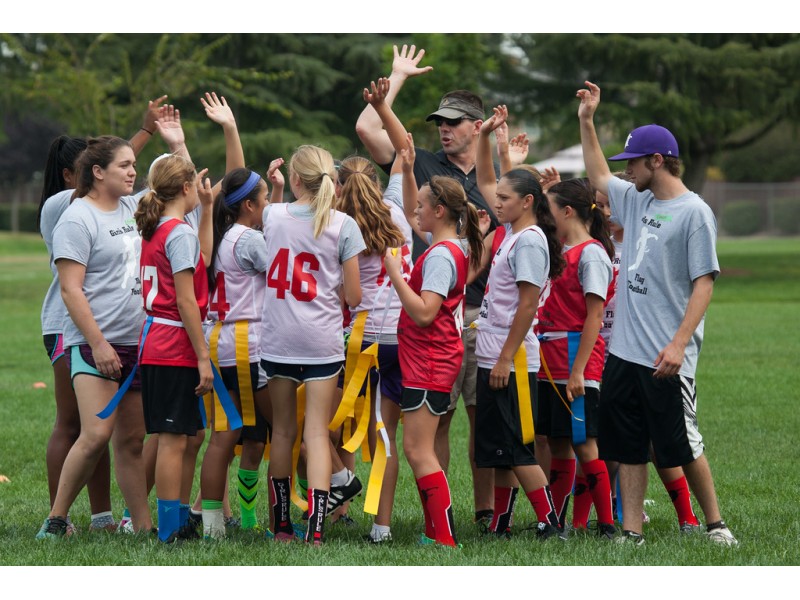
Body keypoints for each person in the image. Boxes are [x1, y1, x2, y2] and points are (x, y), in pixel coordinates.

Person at [577, 80, 737, 545]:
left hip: (667, 355)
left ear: (658, 161)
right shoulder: (637, 199)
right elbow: (597, 174)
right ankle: (631, 532)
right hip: (624, 353)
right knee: (628, 447)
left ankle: (715, 525)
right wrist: (586, 120)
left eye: (633, 163)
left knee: (682, 443)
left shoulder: (694, 213)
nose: (625, 173)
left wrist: (679, 343)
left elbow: (704, 282)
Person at [358, 67, 499, 526]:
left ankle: (479, 515)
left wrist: (397, 271)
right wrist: (387, 96)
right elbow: (384, 138)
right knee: (435, 426)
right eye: (440, 120)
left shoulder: (492, 180)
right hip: (444, 317)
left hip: (470, 315)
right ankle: (438, 519)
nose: (444, 128)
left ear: (477, 127)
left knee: (483, 424)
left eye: (454, 122)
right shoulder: (428, 170)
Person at [36, 96, 167, 534]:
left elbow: (174, 188)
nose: (133, 171)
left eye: (135, 165)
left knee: (130, 439)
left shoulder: (132, 207)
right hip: (92, 342)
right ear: (93, 172)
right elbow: (72, 288)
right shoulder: (70, 213)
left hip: (136, 341)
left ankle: (138, 526)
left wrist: (172, 140)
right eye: (124, 165)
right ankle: (57, 520)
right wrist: (98, 342)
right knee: (89, 433)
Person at [260, 145, 364, 545]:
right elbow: (354, 296)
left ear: (296, 180)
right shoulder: (343, 225)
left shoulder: (272, 213)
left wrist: (276, 190)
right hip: (321, 341)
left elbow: (280, 221)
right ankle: (316, 529)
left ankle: (282, 526)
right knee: (317, 435)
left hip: (279, 340)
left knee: (284, 433)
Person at [591, 177, 702, 534]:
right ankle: (619, 518)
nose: (606, 212)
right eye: (599, 206)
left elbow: (696, 283)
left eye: (611, 205)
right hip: (609, 354)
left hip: (650, 353)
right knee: (615, 442)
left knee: (663, 444)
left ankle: (693, 516)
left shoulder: (647, 240)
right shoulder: (597, 250)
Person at [384, 167, 483, 547]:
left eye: (423, 207)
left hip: (430, 361)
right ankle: (436, 532)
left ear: (440, 211)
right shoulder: (448, 245)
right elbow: (411, 211)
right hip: (430, 360)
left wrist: (395, 274)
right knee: (419, 448)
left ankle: (443, 537)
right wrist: (405, 168)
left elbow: (425, 312)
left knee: (417, 449)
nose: (416, 213)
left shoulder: (442, 255)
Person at [135, 154, 213, 543]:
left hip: (158, 343)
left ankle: (179, 518)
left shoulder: (157, 228)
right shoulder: (178, 233)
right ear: (185, 188)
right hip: (172, 346)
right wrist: (203, 357)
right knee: (172, 440)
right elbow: (185, 302)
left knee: (187, 436)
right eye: (196, 185)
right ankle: (169, 528)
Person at [335, 154, 412, 543]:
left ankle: (340, 505)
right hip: (401, 334)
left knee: (340, 424)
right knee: (386, 433)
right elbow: (399, 166)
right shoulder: (397, 213)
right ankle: (381, 526)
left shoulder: (338, 225)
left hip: (360, 335)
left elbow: (344, 292)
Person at [535, 178, 617, 540]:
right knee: (558, 442)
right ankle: (559, 522)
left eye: (550, 210)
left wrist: (579, 371)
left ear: (567, 211)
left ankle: (607, 524)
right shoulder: (562, 251)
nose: (545, 218)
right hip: (550, 356)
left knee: (584, 442)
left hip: (573, 357)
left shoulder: (592, 254)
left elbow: (594, 317)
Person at [201, 166, 272, 539]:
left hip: (221, 344)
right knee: (288, 428)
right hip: (248, 344)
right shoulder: (249, 239)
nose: (269, 206)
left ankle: (218, 525)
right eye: (266, 199)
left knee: (240, 437)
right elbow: (281, 277)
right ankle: (327, 494)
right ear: (248, 205)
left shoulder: (222, 234)